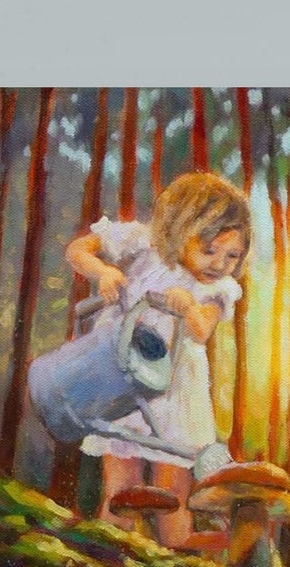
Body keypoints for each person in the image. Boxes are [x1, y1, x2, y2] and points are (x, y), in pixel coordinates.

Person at [62, 170, 249, 526]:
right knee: (120, 491)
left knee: (173, 494)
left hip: (176, 389)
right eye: (209, 250)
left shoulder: (217, 288)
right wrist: (102, 272)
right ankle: (115, 563)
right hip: (125, 376)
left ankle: (172, 559)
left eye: (232, 256)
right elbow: (78, 250)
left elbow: (202, 329)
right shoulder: (144, 244)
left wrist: (189, 307)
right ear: (179, 230)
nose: (220, 264)